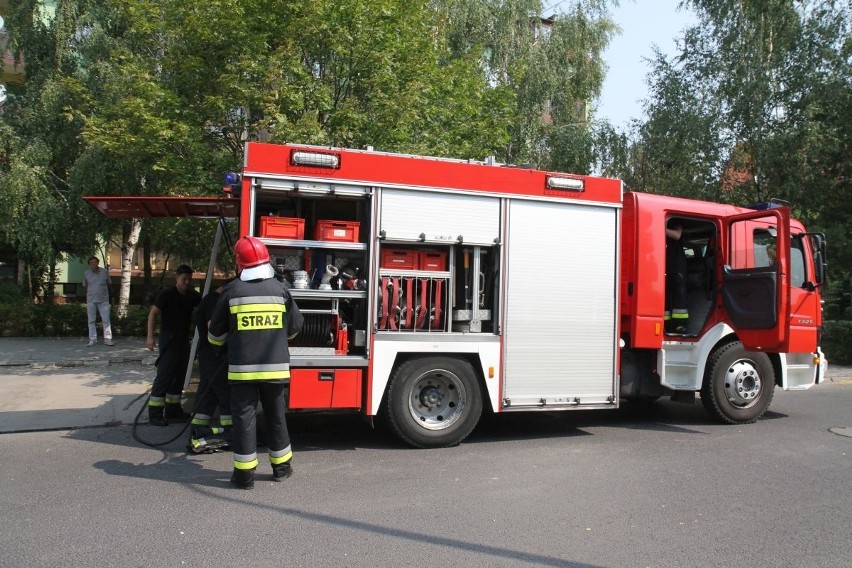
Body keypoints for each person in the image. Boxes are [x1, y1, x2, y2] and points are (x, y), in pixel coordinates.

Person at [208, 236, 303, 489]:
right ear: (265, 259)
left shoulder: (231, 291)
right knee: (276, 417)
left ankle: (244, 476)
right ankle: (282, 468)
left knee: (244, 420)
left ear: (239, 263)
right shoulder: (281, 290)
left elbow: (215, 335)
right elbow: (294, 329)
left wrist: (221, 348)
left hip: (242, 373)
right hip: (276, 369)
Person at [146, 265, 202, 426]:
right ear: (176, 278)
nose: (187, 282)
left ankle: (173, 410)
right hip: (169, 340)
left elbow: (205, 306)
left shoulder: (192, 295)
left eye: (189, 279)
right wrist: (150, 337)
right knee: (165, 375)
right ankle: (155, 414)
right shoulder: (167, 294)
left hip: (183, 340)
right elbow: (152, 314)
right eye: (184, 278)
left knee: (179, 375)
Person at [187, 282, 233, 454]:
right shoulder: (215, 301)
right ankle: (230, 431)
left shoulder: (210, 299)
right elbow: (212, 325)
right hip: (214, 353)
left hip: (208, 353)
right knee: (225, 391)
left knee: (207, 392)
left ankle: (198, 429)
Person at [83, 256, 114, 347]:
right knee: (91, 320)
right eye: (92, 262)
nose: (94, 264)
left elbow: (109, 284)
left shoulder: (104, 272)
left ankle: (108, 339)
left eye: (95, 262)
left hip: (103, 299)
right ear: (89, 264)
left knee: (106, 320)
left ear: (98, 263)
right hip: (91, 299)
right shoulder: (86, 273)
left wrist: (112, 296)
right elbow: (85, 286)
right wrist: (87, 295)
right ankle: (92, 339)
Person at [665, 222, 689, 335]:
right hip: (666, 263)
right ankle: (667, 325)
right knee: (666, 294)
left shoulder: (675, 220)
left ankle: (680, 325)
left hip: (677, 264)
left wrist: (660, 227)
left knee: (679, 294)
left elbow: (677, 235)